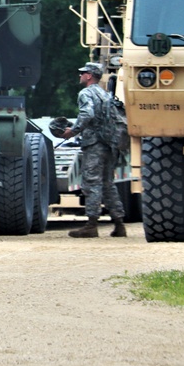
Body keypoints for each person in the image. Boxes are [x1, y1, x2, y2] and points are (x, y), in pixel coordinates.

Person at [61, 62, 127, 238]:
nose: (80, 75)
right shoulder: (105, 95)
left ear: (89, 75)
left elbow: (87, 114)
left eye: (82, 73)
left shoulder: (86, 93)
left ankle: (91, 225)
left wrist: (72, 131)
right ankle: (119, 224)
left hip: (95, 145)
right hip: (110, 144)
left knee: (91, 183)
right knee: (108, 184)